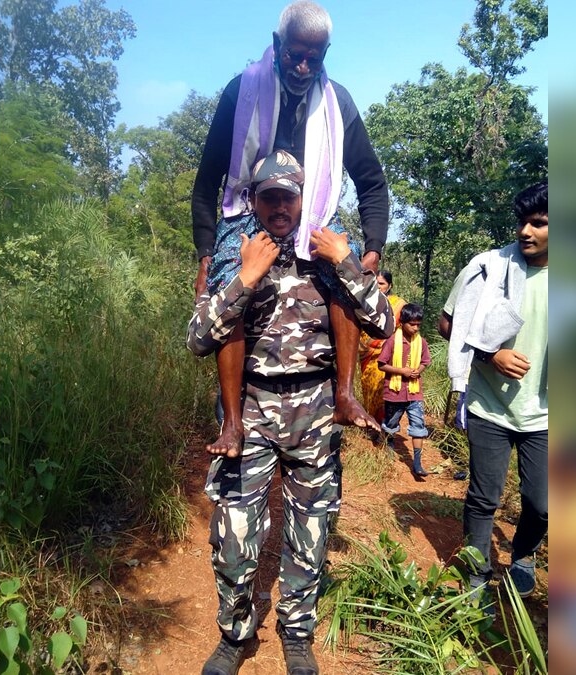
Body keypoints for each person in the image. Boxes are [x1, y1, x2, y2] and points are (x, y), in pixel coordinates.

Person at [187, 150, 393, 675]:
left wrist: (345, 261)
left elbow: (382, 323)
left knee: (310, 531)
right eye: (269, 197)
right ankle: (235, 634)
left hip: (317, 409)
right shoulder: (238, 249)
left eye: (289, 196)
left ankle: (297, 635)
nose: (280, 207)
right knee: (234, 535)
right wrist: (245, 279)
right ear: (253, 201)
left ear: (305, 198)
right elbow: (198, 339)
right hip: (249, 409)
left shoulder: (325, 243)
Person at [192, 0, 390, 459]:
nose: (303, 67)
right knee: (233, 288)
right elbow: (206, 183)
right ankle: (234, 424)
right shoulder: (240, 91)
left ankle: (342, 394)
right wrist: (207, 253)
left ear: (326, 54)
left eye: (315, 58)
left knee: (341, 275)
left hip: (315, 209)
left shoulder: (337, 102)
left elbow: (372, 182)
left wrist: (370, 251)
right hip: (248, 207)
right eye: (294, 55)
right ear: (277, 44)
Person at [441, 182, 548, 599]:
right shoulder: (488, 269)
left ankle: (523, 553)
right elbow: (448, 324)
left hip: (545, 413)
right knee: (484, 497)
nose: (526, 231)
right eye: (522, 222)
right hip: (491, 407)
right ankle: (475, 576)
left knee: (541, 504)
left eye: (538, 223)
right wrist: (489, 356)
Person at [378, 303, 432, 478]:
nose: (416, 328)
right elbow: (382, 364)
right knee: (391, 423)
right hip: (395, 392)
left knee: (418, 425)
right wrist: (402, 371)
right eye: (412, 324)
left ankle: (417, 464)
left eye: (418, 325)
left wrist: (419, 371)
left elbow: (425, 362)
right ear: (402, 323)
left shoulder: (421, 342)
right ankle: (388, 444)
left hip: (414, 392)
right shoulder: (392, 341)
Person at [358, 271, 406, 424]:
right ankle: (372, 422)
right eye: (375, 283)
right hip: (366, 355)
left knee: (383, 391)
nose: (378, 287)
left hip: (388, 356)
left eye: (382, 284)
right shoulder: (363, 303)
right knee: (369, 389)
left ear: (389, 285)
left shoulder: (398, 304)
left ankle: (385, 427)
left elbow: (403, 330)